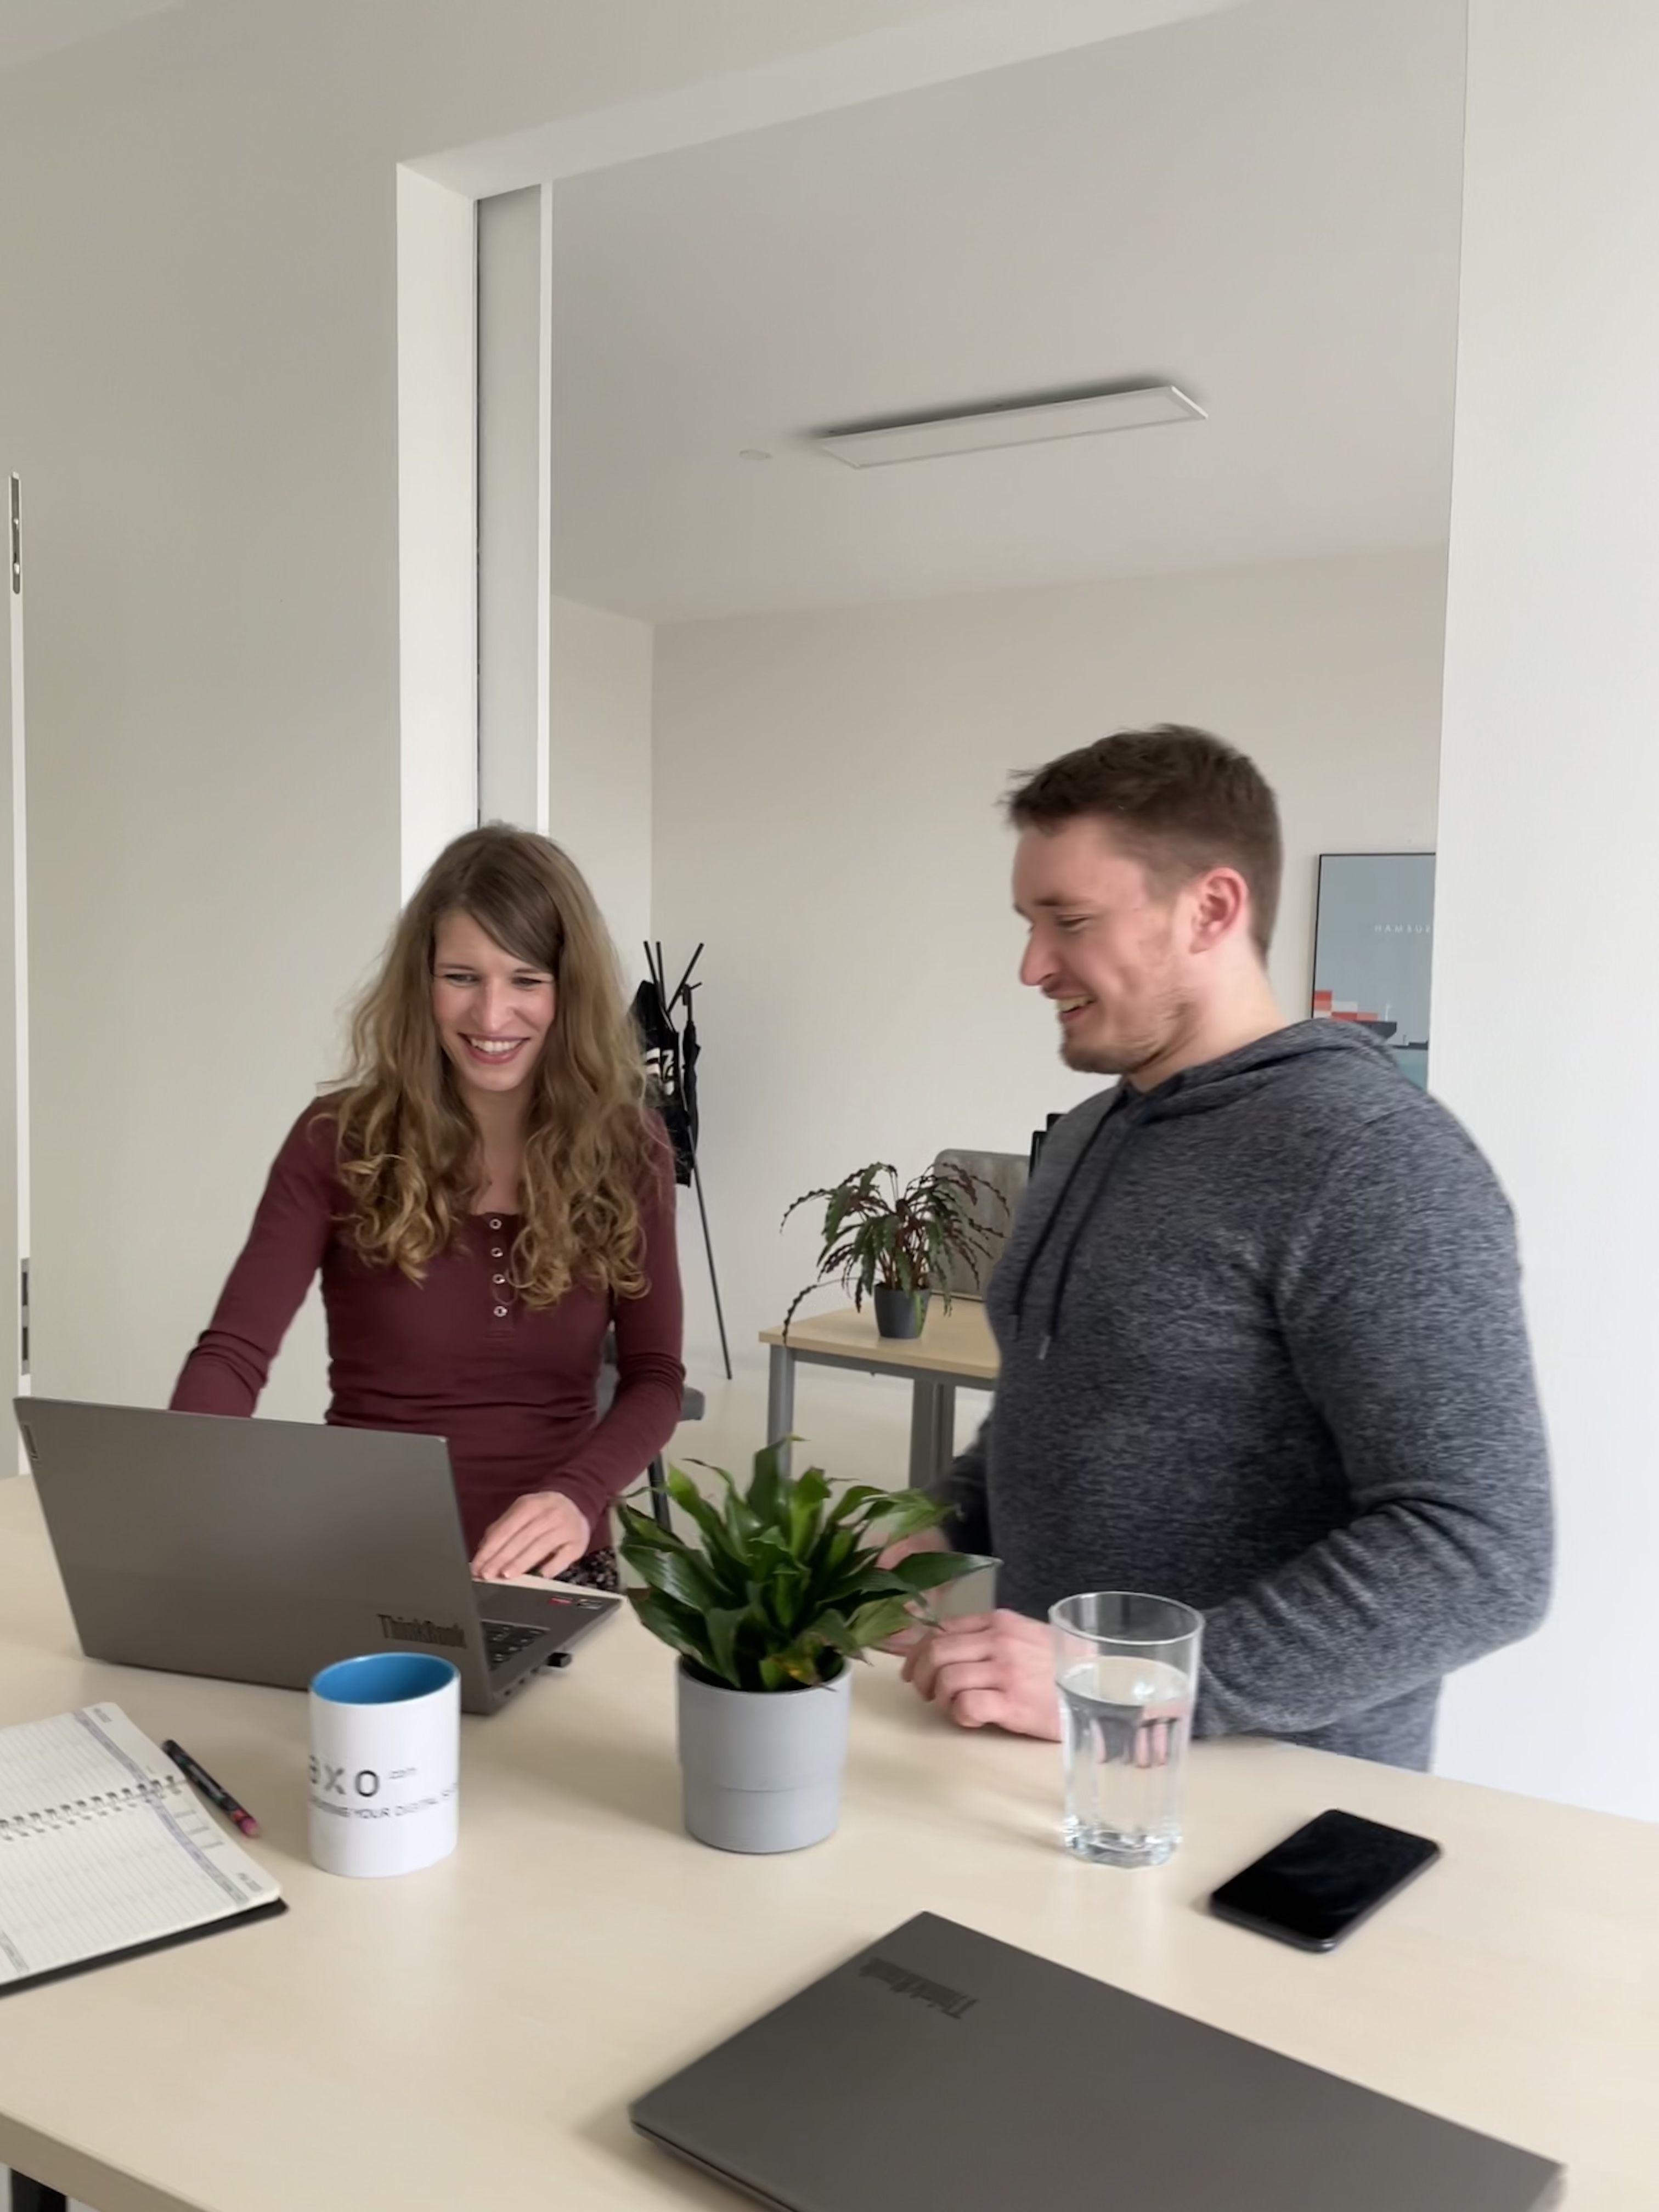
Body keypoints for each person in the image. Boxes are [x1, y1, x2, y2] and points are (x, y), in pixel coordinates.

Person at [898, 726, 1552, 1769]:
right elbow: (1060, 1407)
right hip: (1056, 1764)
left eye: (1068, 921)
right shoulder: (1085, 1134)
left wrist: (1145, 1685)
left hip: (1267, 1802)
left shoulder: (1373, 1158)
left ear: (1211, 908)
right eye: (1028, 922)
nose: (1032, 965)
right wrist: (943, 1520)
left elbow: (1480, 1552)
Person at [171, 825, 684, 1589]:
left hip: (555, 1573)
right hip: (362, 1558)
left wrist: (577, 1496)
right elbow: (233, 1356)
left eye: (526, 979)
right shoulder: (336, 1139)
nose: (492, 1015)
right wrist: (180, 1492)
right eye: (462, 977)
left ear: (566, 991)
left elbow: (654, 1376)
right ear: (423, 981)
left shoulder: (630, 1147)